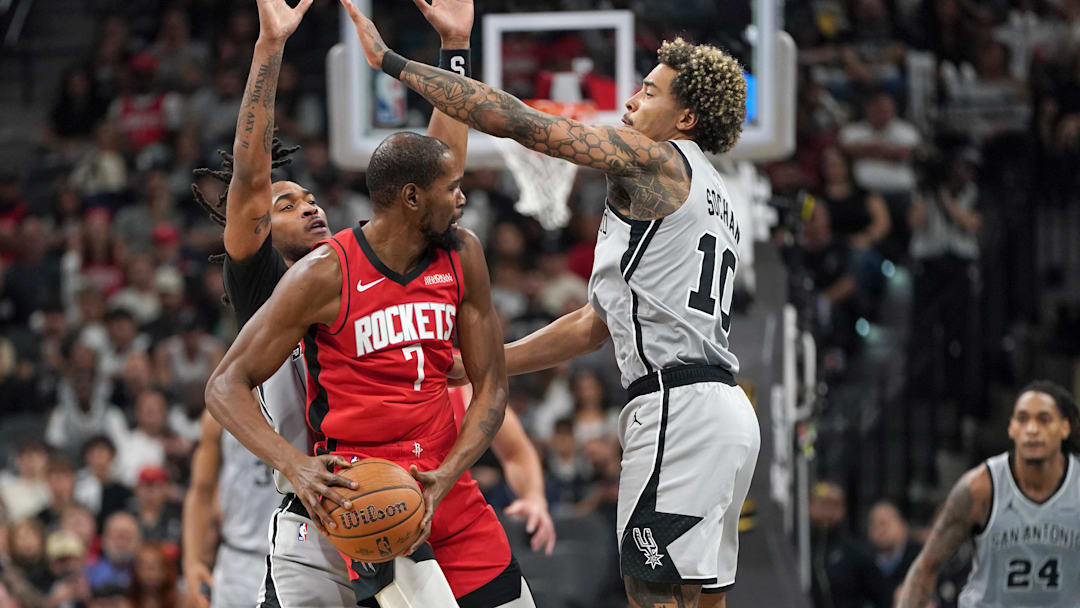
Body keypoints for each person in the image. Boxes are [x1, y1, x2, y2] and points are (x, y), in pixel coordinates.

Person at [343, 3, 760, 605]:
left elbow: (519, 121)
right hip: (723, 414)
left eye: (649, 92)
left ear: (686, 117)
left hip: (678, 407)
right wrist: (488, 363)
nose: (632, 101)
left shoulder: (658, 160)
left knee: (651, 591)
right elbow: (594, 326)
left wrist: (393, 62)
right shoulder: (713, 193)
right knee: (705, 595)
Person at [200, 1, 541, 606]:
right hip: (315, 498)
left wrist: (455, 50)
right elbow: (250, 181)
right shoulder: (276, 282)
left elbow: (437, 173)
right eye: (286, 205)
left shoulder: (397, 251)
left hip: (394, 488)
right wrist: (270, 49)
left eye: (308, 196)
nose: (306, 206)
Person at [897, 381, 1080, 608]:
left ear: (1065, 427)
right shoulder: (979, 489)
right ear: (1012, 428)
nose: (1032, 429)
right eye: (1023, 419)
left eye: (1043, 419)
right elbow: (926, 567)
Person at [867, 500, 920, 600]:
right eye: (874, 524)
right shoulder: (864, 563)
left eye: (884, 523)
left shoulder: (919, 559)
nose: (880, 530)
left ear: (903, 526)